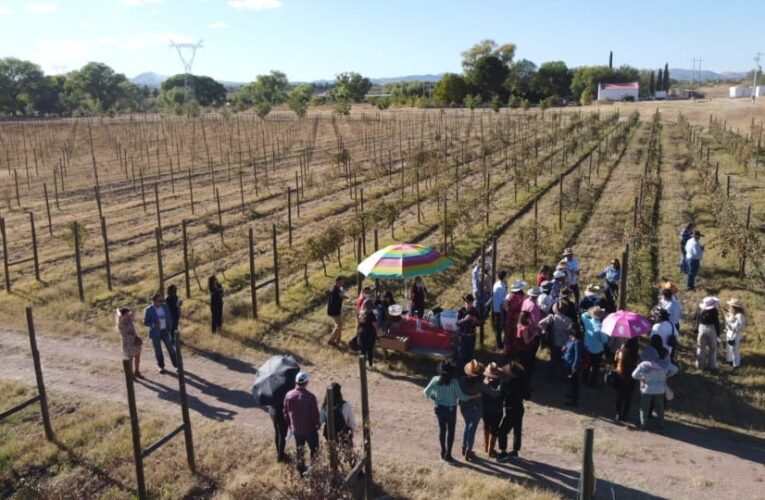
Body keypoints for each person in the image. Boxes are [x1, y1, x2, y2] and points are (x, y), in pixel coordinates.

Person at [423, 362, 469, 461]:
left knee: (442, 430)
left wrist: (434, 397)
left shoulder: (435, 380)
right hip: (451, 410)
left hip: (439, 408)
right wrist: (473, 396)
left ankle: (443, 450)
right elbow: (462, 397)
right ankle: (448, 454)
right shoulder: (454, 382)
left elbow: (426, 392)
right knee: (451, 432)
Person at [632, 345, 678, 430]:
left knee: (644, 408)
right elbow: (675, 369)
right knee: (660, 408)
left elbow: (634, 375)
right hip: (660, 390)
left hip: (646, 390)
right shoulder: (664, 363)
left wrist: (642, 378)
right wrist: (667, 375)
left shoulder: (643, 365)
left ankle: (643, 424)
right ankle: (661, 424)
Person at [283, 371, 321, 474]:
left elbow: (285, 413)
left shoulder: (288, 396)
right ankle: (314, 470)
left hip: (297, 430)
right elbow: (315, 415)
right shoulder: (310, 397)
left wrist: (290, 426)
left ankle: (301, 470)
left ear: (296, 382)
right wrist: (318, 425)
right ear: (307, 382)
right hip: (310, 430)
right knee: (314, 450)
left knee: (300, 450)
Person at [496, 361, 529, 462]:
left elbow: (500, 397)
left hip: (510, 409)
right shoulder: (522, 380)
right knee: (517, 430)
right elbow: (527, 396)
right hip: (519, 408)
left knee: (502, 431)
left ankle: (503, 452)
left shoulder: (506, 382)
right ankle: (515, 451)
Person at [458, 360, 489, 462]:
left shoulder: (461, 380)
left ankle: (464, 446)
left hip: (464, 407)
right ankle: (469, 450)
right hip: (476, 408)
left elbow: (460, 396)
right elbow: (493, 393)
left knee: (467, 426)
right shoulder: (480, 383)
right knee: (472, 429)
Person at [320, 382, 355, 463]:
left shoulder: (325, 406)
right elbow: (352, 423)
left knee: (333, 454)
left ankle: (335, 470)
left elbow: (321, 420)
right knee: (349, 453)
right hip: (344, 434)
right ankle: (357, 472)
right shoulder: (345, 405)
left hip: (330, 436)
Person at [539, 301, 574, 381]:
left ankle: (551, 377)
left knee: (553, 361)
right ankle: (563, 377)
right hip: (565, 344)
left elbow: (540, 323)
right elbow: (571, 332)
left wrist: (544, 331)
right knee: (563, 361)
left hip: (554, 342)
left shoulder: (552, 317)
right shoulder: (569, 320)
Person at [142, 294, 177, 374]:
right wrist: (153, 324)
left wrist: (169, 327)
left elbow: (169, 317)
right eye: (159, 301)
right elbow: (145, 322)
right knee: (158, 350)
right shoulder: (148, 310)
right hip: (155, 332)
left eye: (162, 300)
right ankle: (161, 367)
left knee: (171, 348)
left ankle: (177, 365)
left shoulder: (165, 306)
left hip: (165, 331)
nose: (162, 302)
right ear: (154, 301)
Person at [581, 306, 608, 387]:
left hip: (587, 348)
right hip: (597, 350)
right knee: (595, 368)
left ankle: (584, 380)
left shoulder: (587, 322)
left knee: (586, 365)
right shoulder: (601, 327)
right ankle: (593, 383)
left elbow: (583, 315)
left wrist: (590, 312)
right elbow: (604, 340)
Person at [613, 338, 639, 422]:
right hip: (631, 377)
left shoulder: (621, 351)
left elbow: (615, 362)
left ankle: (618, 413)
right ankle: (625, 414)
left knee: (619, 396)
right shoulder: (635, 353)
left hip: (620, 375)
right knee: (628, 397)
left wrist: (618, 351)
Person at [482, 362, 504, 458]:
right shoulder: (501, 384)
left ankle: (487, 447)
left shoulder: (484, 382)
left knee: (486, 426)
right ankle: (491, 451)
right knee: (494, 430)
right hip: (497, 410)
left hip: (485, 410)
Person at [695, 296, 721, 371]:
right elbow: (716, 322)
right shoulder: (714, 310)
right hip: (711, 329)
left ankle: (700, 365)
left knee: (700, 347)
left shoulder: (699, 309)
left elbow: (695, 318)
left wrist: (696, 329)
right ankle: (712, 365)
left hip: (701, 328)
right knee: (712, 349)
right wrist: (718, 333)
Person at [503, 281, 526, 360]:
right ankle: (515, 356)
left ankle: (507, 355)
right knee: (516, 338)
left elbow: (504, 307)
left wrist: (509, 311)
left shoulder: (509, 296)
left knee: (507, 337)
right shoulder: (523, 298)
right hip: (518, 321)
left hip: (509, 319)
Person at [117, 308, 142, 379]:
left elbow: (134, 311)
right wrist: (120, 311)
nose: (129, 314)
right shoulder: (121, 322)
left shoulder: (129, 320)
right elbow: (119, 314)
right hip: (128, 343)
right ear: (123, 315)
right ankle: (130, 374)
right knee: (130, 358)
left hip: (135, 340)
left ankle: (137, 371)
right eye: (127, 313)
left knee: (137, 356)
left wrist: (129, 309)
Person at [456, 294, 480, 368]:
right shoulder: (461, 310)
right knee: (462, 354)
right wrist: (464, 319)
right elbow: (457, 323)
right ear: (465, 302)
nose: (469, 305)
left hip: (472, 335)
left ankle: (469, 370)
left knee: (470, 354)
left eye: (470, 303)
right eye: (467, 303)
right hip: (463, 335)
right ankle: (461, 370)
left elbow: (479, 323)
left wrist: (475, 320)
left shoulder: (475, 311)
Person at [516, 311, 540, 379]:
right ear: (526, 318)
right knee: (527, 368)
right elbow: (526, 341)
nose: (531, 318)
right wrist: (534, 335)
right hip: (526, 350)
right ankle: (526, 383)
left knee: (522, 366)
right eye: (530, 317)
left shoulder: (519, 325)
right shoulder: (525, 329)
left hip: (519, 349)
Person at [563, 329, 584, 407]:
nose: (570, 336)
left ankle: (574, 401)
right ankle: (572, 395)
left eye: (571, 335)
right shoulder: (572, 341)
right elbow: (567, 347)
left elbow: (577, 356)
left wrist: (574, 366)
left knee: (574, 384)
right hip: (568, 364)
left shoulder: (577, 343)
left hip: (573, 366)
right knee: (571, 383)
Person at [725, 298, 747, 369]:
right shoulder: (733, 314)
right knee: (729, 348)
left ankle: (736, 364)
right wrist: (729, 317)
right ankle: (729, 361)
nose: (729, 308)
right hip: (729, 334)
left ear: (735, 307)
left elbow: (737, 327)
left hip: (735, 335)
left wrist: (728, 321)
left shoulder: (740, 316)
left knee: (734, 349)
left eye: (731, 306)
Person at [327, 276, 347, 346]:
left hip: (336, 310)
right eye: (340, 283)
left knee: (340, 324)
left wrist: (341, 296)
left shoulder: (337, 288)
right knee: (339, 325)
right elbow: (334, 302)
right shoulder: (334, 290)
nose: (341, 284)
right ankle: (331, 341)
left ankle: (338, 339)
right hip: (334, 311)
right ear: (336, 282)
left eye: (342, 283)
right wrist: (342, 298)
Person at [492, 271, 509, 350]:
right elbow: (503, 301)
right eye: (506, 276)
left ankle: (499, 342)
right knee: (500, 327)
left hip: (496, 308)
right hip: (500, 310)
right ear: (504, 277)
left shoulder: (497, 284)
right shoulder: (501, 288)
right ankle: (499, 344)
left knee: (498, 326)